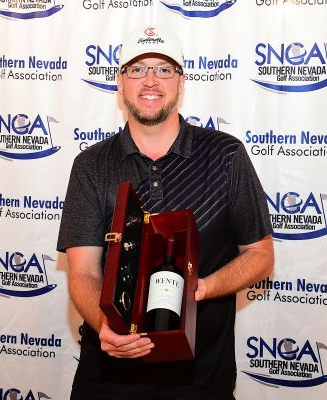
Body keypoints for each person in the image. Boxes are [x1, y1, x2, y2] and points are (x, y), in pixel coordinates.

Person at [57, 25, 274, 400]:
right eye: (137, 69)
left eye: (163, 69)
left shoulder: (226, 155)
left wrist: (203, 288)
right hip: (109, 381)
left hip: (200, 382)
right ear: (120, 82)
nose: (150, 80)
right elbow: (83, 272)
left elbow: (260, 255)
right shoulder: (91, 165)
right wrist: (105, 325)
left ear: (181, 82)